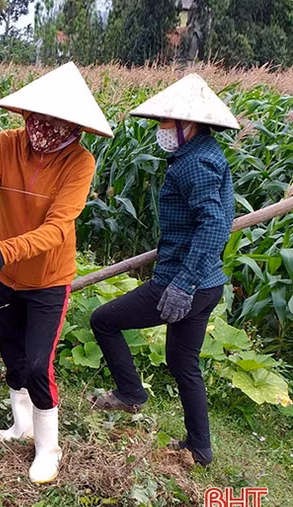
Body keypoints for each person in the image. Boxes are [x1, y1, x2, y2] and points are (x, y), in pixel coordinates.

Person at [0, 62, 113, 484]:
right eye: (37, 116)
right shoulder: (5, 143)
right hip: (3, 275)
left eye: (54, 121)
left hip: (47, 280)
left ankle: (48, 448)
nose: (42, 127)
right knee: (12, 356)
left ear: (72, 125)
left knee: (39, 364)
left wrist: (4, 251)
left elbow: (58, 229)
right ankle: (21, 426)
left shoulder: (80, 163)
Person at [88, 73, 239, 467]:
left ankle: (130, 393)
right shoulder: (205, 153)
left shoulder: (196, 163)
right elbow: (212, 220)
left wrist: (182, 284)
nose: (161, 129)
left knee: (104, 320)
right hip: (207, 283)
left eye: (166, 122)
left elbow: (213, 224)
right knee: (183, 362)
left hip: (182, 282)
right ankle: (199, 448)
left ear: (189, 124)